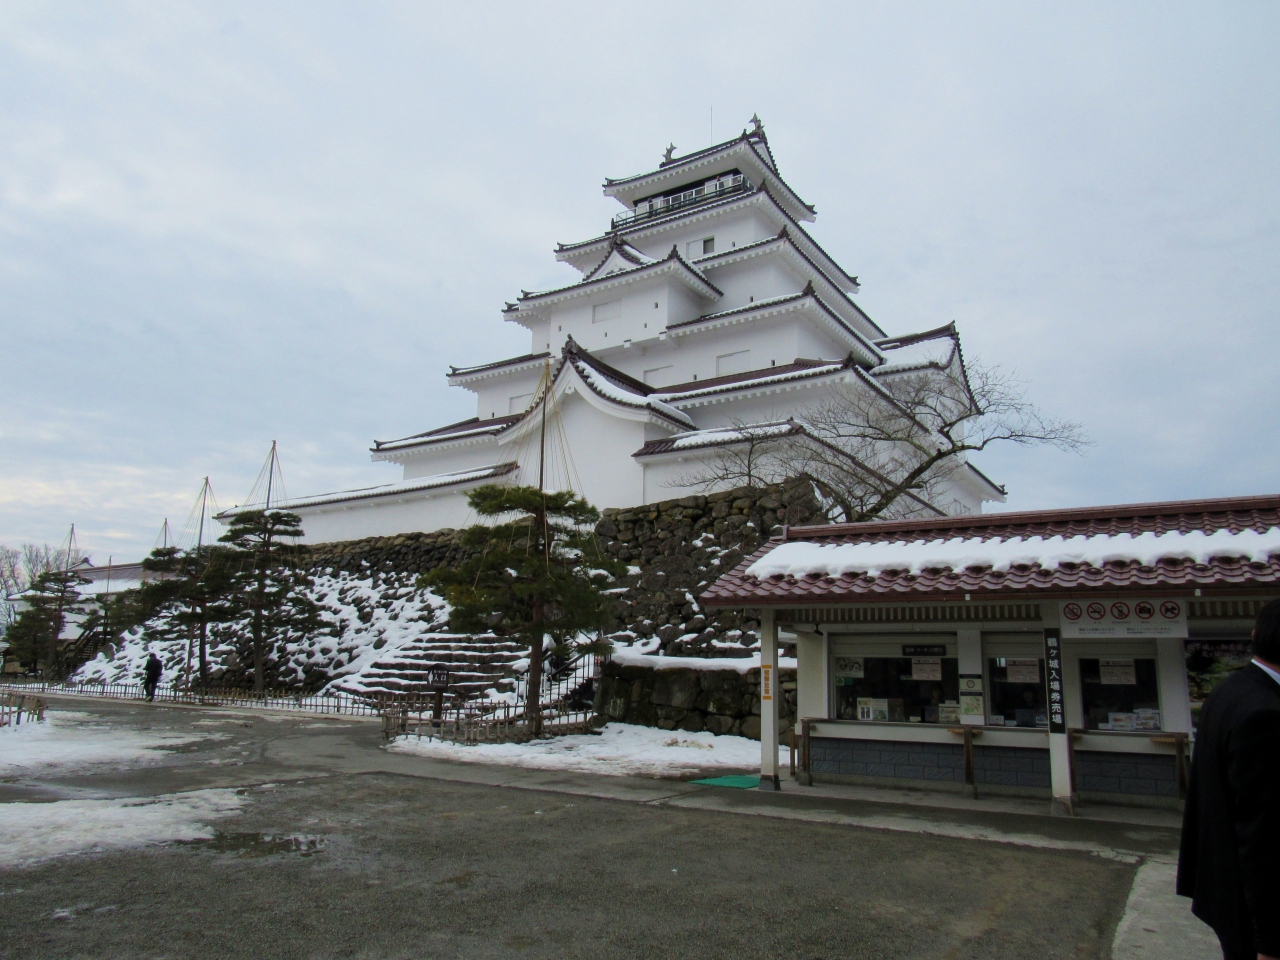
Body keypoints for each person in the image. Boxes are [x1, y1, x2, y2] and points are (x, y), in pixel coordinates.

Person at [1178, 597, 1280, 960]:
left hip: (1222, 886)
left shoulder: (1227, 690)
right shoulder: (1264, 712)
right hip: (1250, 906)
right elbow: (1263, 833)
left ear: (1255, 635)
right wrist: (1270, 938)